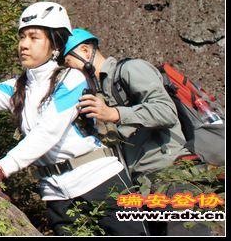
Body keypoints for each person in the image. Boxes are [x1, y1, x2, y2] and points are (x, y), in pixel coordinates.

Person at [0, 3, 145, 235]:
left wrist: (0, 169)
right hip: (56, 194)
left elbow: (48, 131)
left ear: (55, 44)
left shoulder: (72, 79)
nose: (23, 44)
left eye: (34, 37)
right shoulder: (18, 88)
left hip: (102, 182)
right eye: (22, 37)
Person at [63, 28, 211, 236]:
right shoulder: (97, 92)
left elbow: (166, 111)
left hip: (175, 178)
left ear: (86, 51)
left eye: (69, 63)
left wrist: (115, 113)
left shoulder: (131, 69)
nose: (68, 72)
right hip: (146, 188)